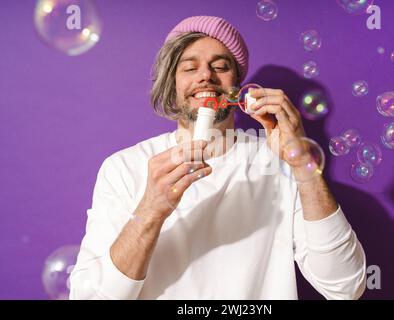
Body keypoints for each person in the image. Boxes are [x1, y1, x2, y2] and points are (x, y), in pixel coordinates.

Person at [69, 16, 366, 300]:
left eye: (220, 66)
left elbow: (345, 287)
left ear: (237, 85)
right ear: (172, 86)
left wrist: (301, 163)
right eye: (189, 67)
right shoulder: (124, 168)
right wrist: (150, 211)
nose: (205, 76)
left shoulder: (279, 162)